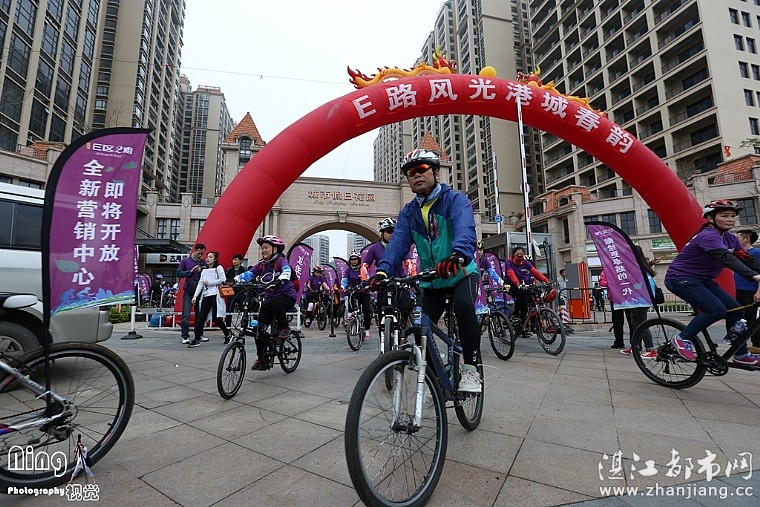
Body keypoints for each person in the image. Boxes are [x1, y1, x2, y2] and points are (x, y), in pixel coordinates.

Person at [370, 148, 482, 393]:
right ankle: (436, 376)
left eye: (421, 169)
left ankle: (471, 369)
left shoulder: (455, 200)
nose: (416, 175)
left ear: (436, 172)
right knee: (421, 325)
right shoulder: (408, 213)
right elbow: (397, 244)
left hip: (461, 272)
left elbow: (465, 228)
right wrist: (383, 271)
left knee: (464, 306)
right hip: (432, 280)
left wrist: (458, 254)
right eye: (411, 173)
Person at [667, 199, 760, 366]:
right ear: (710, 218)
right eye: (725, 216)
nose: (730, 219)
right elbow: (726, 258)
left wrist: (756, 269)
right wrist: (754, 276)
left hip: (703, 280)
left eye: (733, 216)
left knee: (736, 310)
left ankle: (740, 354)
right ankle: (682, 339)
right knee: (716, 310)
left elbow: (747, 259)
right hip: (680, 278)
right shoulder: (708, 236)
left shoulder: (731, 239)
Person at [235, 235, 296, 370]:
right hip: (269, 301)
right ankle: (262, 359)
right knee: (258, 330)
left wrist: (279, 280)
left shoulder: (280, 261)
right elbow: (248, 274)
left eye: (266, 248)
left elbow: (286, 271)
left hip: (286, 296)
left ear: (275, 249)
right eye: (262, 248)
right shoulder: (262, 265)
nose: (263, 250)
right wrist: (234, 280)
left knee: (275, 302)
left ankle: (284, 327)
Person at [362, 217, 414, 329]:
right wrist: (365, 280)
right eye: (389, 232)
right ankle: (383, 335)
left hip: (399, 281)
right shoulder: (374, 248)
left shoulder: (400, 247)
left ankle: (404, 321)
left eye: (394, 232)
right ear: (382, 233)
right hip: (383, 283)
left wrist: (412, 277)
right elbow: (365, 266)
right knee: (381, 312)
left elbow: (409, 263)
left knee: (407, 306)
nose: (392, 234)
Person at [188, 251, 232, 348]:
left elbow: (223, 279)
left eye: (210, 257)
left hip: (216, 295)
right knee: (201, 317)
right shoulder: (204, 270)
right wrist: (195, 296)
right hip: (206, 295)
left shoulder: (218, 268)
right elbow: (200, 283)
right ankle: (196, 339)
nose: (208, 259)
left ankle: (227, 334)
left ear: (215, 259)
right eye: (207, 257)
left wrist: (210, 283)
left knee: (216, 318)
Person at [504, 246, 550, 337]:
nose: (520, 256)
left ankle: (522, 327)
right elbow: (511, 274)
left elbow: (535, 272)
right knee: (521, 295)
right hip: (510, 284)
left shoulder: (525, 262)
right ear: (513, 255)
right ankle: (515, 315)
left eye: (521, 254)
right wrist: (518, 284)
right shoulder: (509, 262)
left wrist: (546, 281)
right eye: (518, 254)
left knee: (527, 302)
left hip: (520, 285)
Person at [735, 229, 760, 355]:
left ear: (747, 239)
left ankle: (758, 345)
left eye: (738, 238)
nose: (735, 240)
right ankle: (749, 345)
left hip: (752, 291)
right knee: (744, 320)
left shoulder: (756, 253)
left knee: (754, 320)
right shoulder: (737, 254)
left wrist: (759, 292)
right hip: (740, 291)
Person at [176, 243, 206, 344]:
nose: (200, 255)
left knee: (200, 314)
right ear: (195, 250)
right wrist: (190, 272)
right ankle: (185, 336)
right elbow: (178, 273)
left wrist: (203, 270)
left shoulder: (203, 262)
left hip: (199, 290)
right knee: (186, 314)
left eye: (202, 254)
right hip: (189, 290)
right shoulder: (185, 261)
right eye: (199, 253)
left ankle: (199, 334)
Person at [342, 251, 373, 341]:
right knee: (352, 310)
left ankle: (367, 330)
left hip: (364, 292)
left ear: (358, 260)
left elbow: (367, 279)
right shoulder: (348, 270)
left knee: (366, 310)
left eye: (355, 259)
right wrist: (344, 287)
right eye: (352, 259)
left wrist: (363, 285)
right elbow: (344, 280)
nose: (353, 261)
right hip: (354, 292)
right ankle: (352, 321)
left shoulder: (363, 269)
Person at [224, 253, 247, 327]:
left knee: (243, 310)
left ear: (240, 261)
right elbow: (225, 280)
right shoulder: (229, 270)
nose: (234, 261)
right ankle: (228, 327)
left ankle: (243, 327)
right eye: (233, 260)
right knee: (229, 309)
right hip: (231, 292)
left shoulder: (244, 270)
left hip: (241, 291)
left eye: (236, 260)